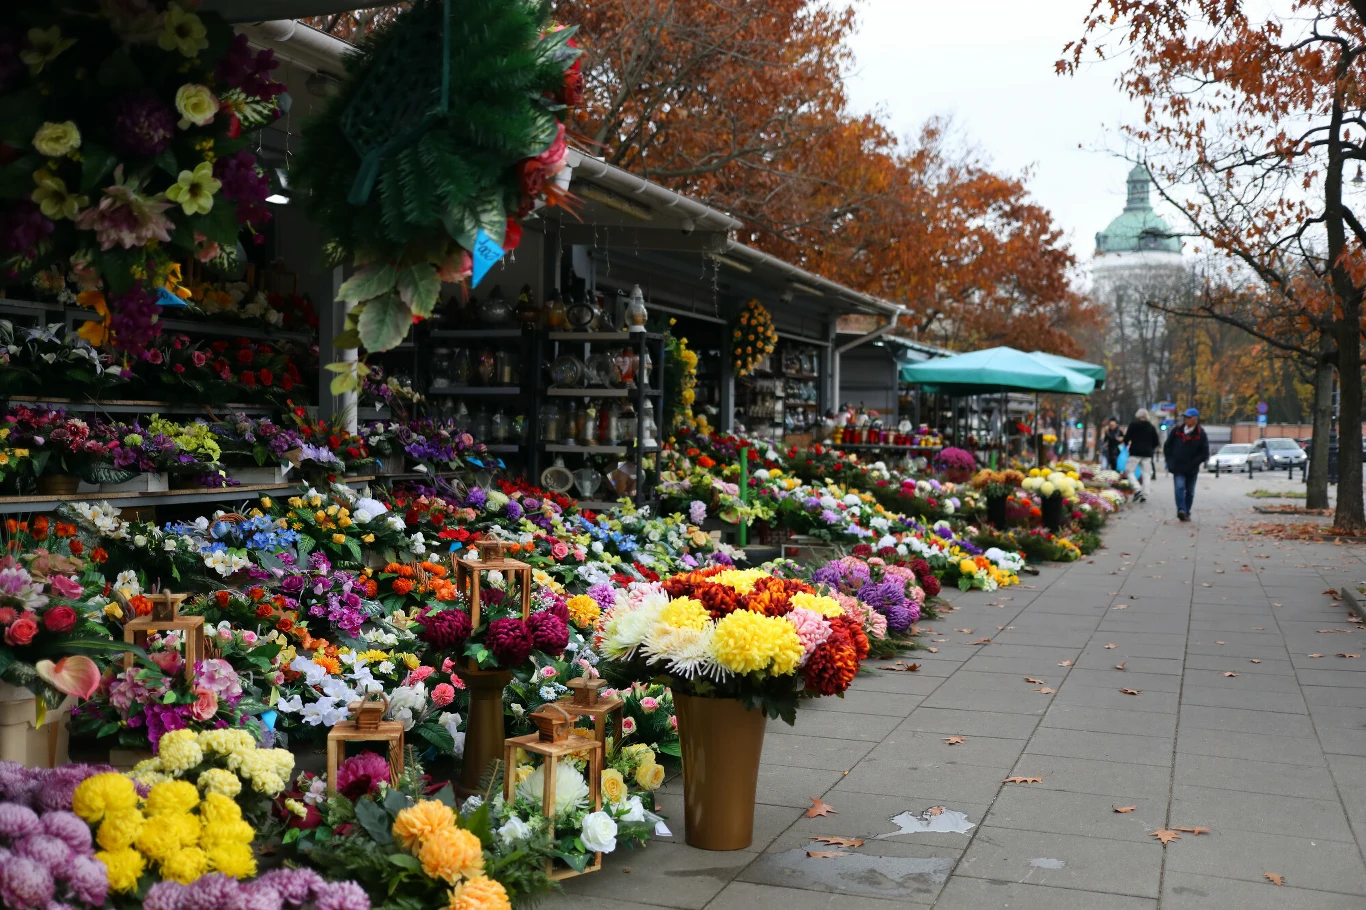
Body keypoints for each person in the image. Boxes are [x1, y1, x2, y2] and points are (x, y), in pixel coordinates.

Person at [1163, 407, 1210, 521]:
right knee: (1179, 488)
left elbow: (1204, 453)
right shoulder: (1177, 431)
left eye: (1189, 418)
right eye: (1185, 417)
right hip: (1178, 466)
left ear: (1195, 419)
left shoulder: (1201, 434)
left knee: (1190, 492)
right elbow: (1167, 446)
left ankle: (1187, 512)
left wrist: (1195, 462)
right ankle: (1181, 510)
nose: (1186, 420)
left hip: (1192, 468)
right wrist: (1170, 462)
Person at [1123, 408, 1160, 502]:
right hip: (1147, 454)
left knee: (1129, 471)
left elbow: (1127, 438)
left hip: (1135, 452)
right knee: (1146, 474)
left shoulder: (1133, 425)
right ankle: (1145, 494)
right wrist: (1150, 449)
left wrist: (1126, 444)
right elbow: (1156, 442)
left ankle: (1137, 488)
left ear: (1138, 416)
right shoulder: (1151, 427)